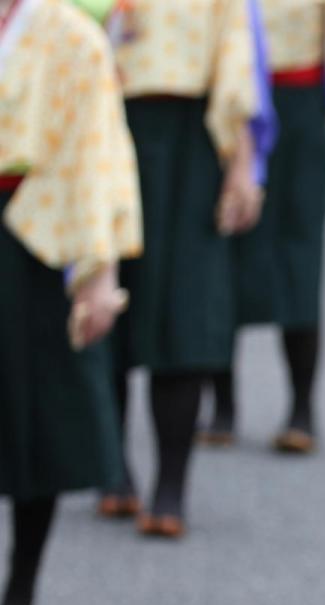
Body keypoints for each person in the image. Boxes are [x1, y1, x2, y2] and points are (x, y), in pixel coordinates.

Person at [0, 0, 142, 605]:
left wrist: (98, 274)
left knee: (38, 416)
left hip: (34, 232)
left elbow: (97, 155)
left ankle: (21, 587)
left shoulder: (72, 35)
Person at [100, 0, 263, 538]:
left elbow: (235, 58)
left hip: (192, 139)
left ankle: (171, 486)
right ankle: (112, 468)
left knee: (185, 311)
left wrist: (242, 167)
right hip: (103, 128)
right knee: (106, 307)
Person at [199, 0, 325, 454]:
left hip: (296, 105)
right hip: (223, 107)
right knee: (222, 253)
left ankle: (301, 408)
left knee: (299, 254)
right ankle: (223, 404)